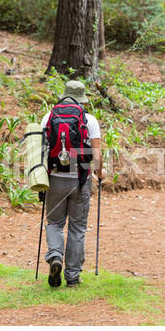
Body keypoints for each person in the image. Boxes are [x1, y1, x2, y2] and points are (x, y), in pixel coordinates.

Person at [40, 80, 106, 288]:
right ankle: (73, 278)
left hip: (54, 178)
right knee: (77, 228)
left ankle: (56, 256)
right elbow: (96, 153)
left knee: (55, 223)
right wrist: (99, 171)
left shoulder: (48, 117)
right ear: (82, 98)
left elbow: (40, 151)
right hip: (79, 180)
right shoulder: (89, 119)